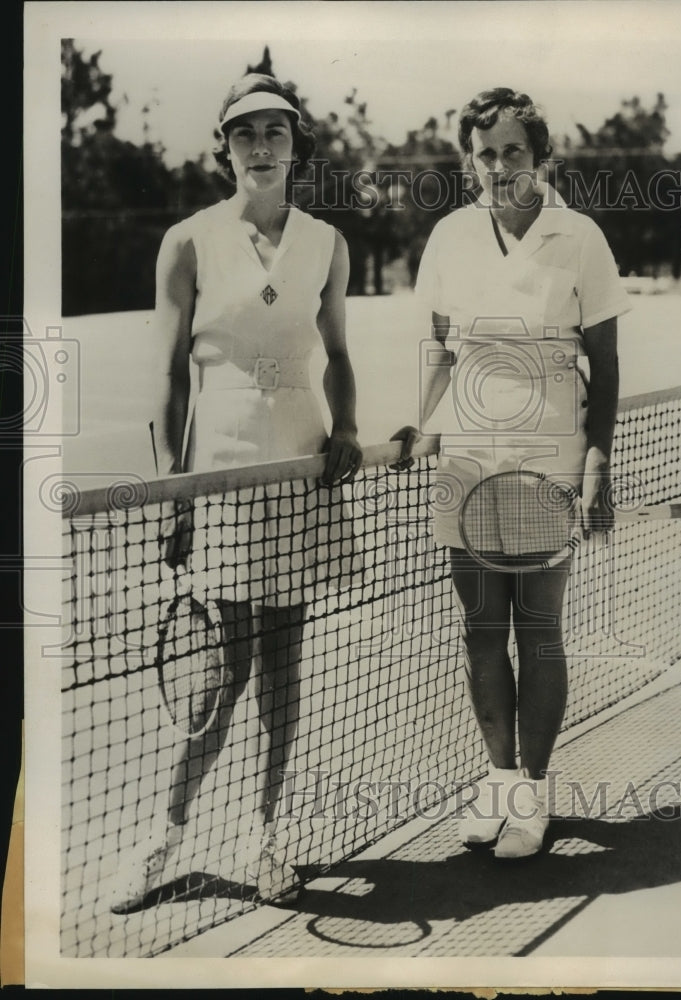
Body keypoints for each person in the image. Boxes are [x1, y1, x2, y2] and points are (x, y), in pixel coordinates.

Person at [110, 74, 362, 911]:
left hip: (298, 468)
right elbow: (168, 375)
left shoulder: (328, 242)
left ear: (297, 146)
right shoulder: (186, 241)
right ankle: (164, 839)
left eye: (276, 132)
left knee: (284, 671)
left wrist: (349, 428)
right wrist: (175, 492)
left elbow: (340, 353)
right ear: (224, 147)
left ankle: (272, 836)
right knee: (223, 675)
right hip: (218, 476)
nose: (261, 146)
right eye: (245, 132)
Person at [393, 88, 630, 859]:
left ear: (542, 158)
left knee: (540, 630)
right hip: (465, 459)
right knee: (480, 631)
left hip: (547, 460)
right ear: (472, 161)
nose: (500, 168)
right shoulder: (451, 237)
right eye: (486, 154)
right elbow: (436, 347)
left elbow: (608, 360)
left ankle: (531, 792)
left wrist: (597, 461)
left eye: (514, 153)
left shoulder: (581, 237)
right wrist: (421, 425)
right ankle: (498, 785)